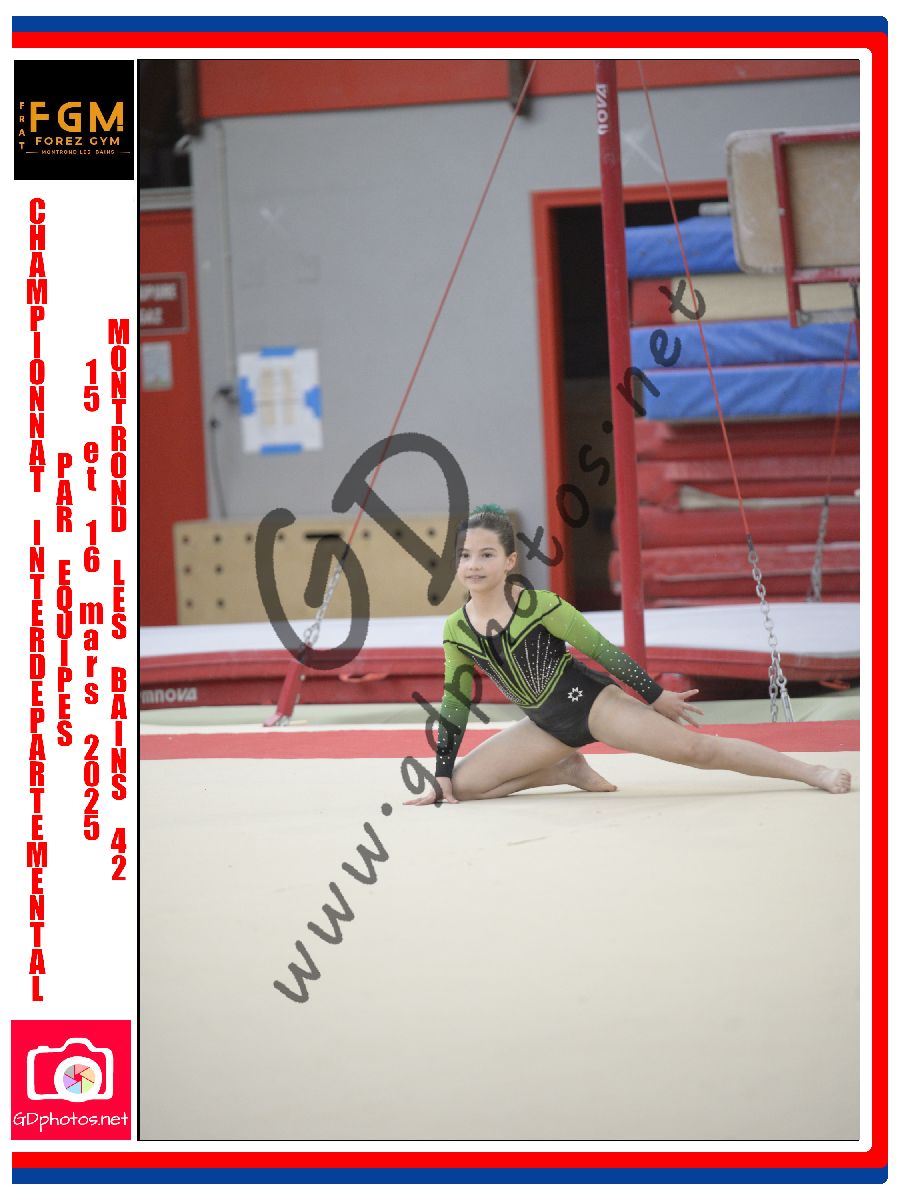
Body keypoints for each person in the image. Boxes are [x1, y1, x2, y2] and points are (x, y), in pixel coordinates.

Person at [404, 505, 852, 806]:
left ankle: (810, 772)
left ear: (509, 561)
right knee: (460, 787)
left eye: (486, 554)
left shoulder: (540, 606)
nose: (474, 565)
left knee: (696, 750)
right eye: (465, 556)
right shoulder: (456, 630)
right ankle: (563, 769)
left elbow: (603, 652)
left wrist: (654, 696)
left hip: (595, 707)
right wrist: (441, 771)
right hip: (544, 726)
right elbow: (455, 704)